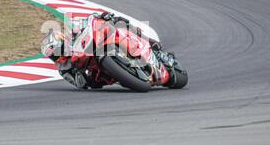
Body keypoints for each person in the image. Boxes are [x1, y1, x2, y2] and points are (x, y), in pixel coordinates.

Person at [42, 12, 176, 89]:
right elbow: (80, 85)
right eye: (53, 56)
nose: (56, 57)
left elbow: (88, 22)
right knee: (96, 82)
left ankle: (151, 44)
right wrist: (80, 76)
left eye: (56, 52)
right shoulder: (63, 69)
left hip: (99, 44)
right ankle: (130, 74)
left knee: (119, 23)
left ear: (62, 40)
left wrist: (101, 17)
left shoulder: (73, 35)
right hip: (98, 68)